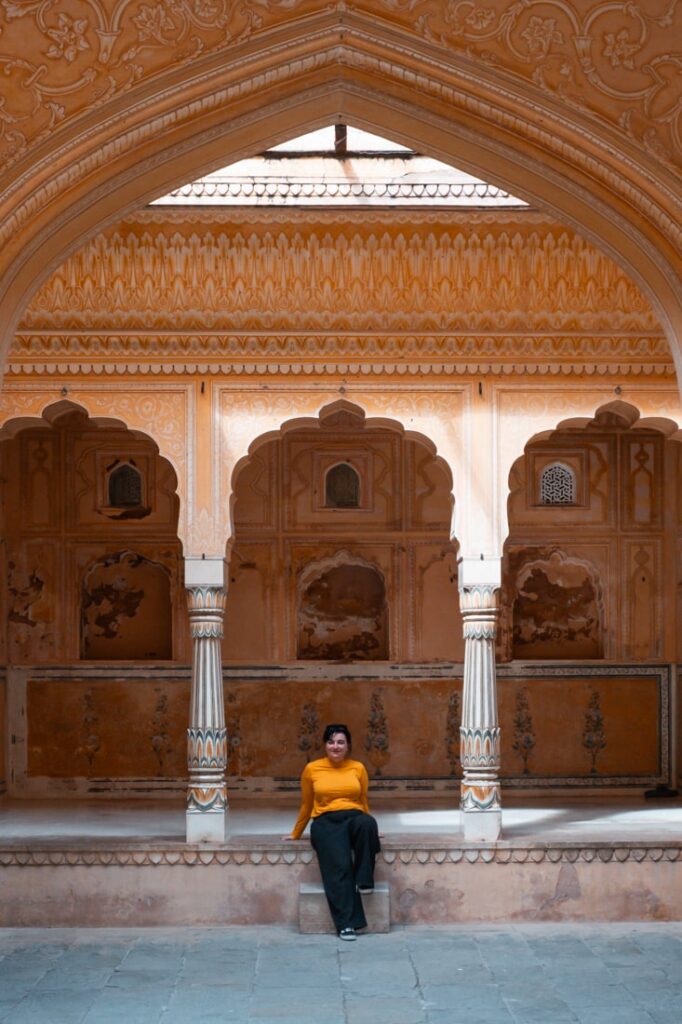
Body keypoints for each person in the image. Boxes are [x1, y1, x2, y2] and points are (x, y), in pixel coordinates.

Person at [285, 723, 380, 940]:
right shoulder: (312, 769)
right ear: (325, 745)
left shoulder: (358, 768)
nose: (335, 747)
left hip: (354, 816)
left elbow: (362, 799)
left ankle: (364, 880)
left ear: (348, 746)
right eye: (331, 742)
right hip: (325, 821)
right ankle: (346, 924)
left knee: (368, 824)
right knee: (339, 866)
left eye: (340, 742)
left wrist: (372, 828)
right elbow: (306, 804)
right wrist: (296, 833)